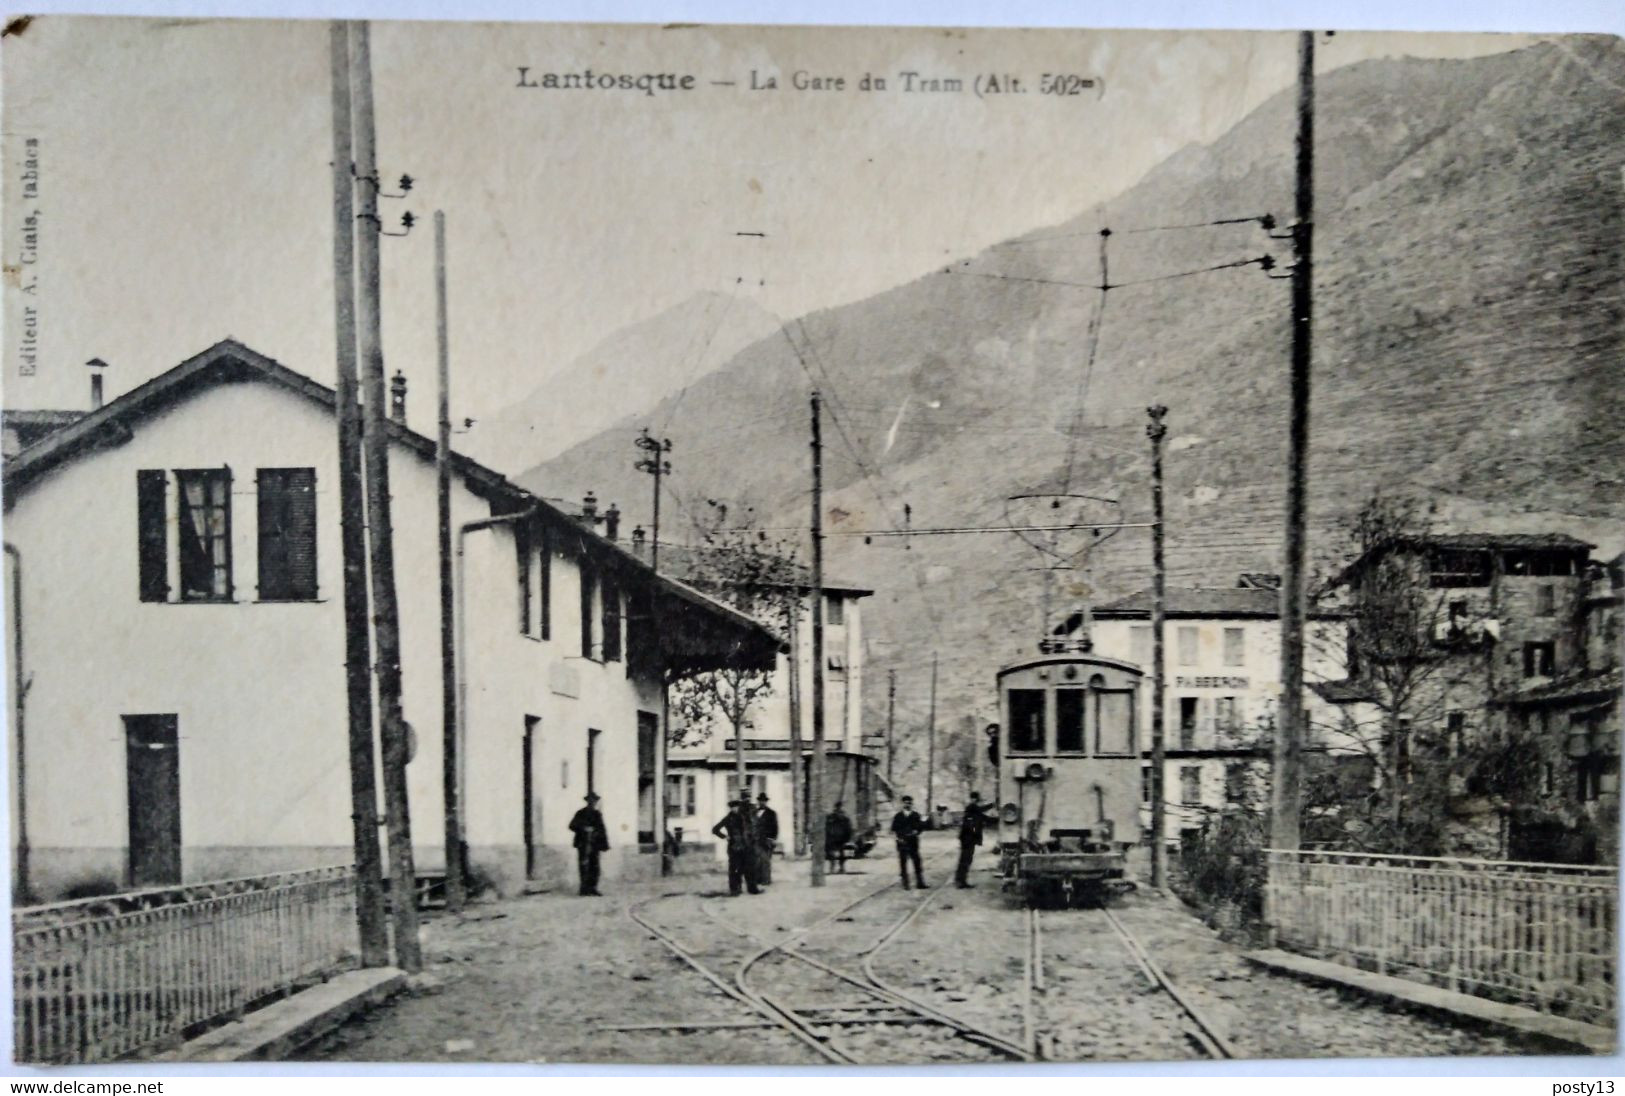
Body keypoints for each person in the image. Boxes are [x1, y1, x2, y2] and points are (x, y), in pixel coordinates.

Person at [712, 799, 761, 896]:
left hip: (745, 846)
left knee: (749, 868)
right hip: (734, 847)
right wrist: (725, 836)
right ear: (730, 808)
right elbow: (715, 829)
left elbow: (751, 828)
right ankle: (735, 889)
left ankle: (752, 888)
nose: (735, 809)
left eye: (737, 807)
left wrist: (751, 839)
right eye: (733, 807)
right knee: (735, 869)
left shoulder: (744, 817)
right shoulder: (727, 818)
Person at [568, 792, 609, 896]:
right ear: (587, 802)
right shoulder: (580, 813)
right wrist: (584, 828)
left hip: (594, 844)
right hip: (583, 843)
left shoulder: (597, 814)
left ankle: (593, 888)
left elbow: (602, 829)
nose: (593, 803)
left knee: (595, 867)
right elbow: (572, 825)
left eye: (594, 801)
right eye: (590, 801)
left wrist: (603, 843)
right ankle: (583, 889)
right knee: (583, 865)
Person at [955, 791, 997, 888]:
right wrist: (992, 804)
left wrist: (999, 818)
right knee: (965, 860)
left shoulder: (976, 812)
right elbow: (981, 810)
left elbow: (987, 819)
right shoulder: (971, 807)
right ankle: (960, 881)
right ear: (974, 799)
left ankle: (961, 880)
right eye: (977, 800)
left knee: (967, 860)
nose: (978, 802)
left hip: (970, 839)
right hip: (967, 839)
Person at [891, 795, 928, 889]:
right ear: (902, 804)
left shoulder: (916, 815)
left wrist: (917, 831)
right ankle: (905, 883)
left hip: (913, 842)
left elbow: (920, 827)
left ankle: (920, 882)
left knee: (917, 862)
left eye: (909, 803)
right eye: (906, 802)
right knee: (903, 862)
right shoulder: (898, 816)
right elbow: (894, 829)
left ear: (912, 804)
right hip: (902, 842)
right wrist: (899, 837)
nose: (907, 804)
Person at [755, 792, 779, 885]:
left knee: (766, 860)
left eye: (764, 801)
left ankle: (766, 880)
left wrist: (772, 839)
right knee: (757, 861)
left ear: (766, 802)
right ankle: (758, 879)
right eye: (760, 801)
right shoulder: (754, 812)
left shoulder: (772, 813)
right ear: (758, 801)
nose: (762, 803)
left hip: (767, 840)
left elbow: (775, 827)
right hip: (756, 840)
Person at [825, 802, 853, 874]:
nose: (839, 809)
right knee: (837, 854)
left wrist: (848, 837)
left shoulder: (841, 817)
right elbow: (849, 828)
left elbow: (848, 828)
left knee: (840, 854)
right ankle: (837, 868)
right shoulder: (833, 817)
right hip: (835, 837)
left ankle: (838, 868)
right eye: (838, 807)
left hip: (838, 838)